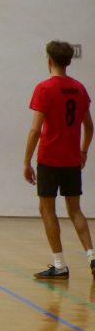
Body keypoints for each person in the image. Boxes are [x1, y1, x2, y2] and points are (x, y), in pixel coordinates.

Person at [24, 40, 94, 280]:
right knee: (75, 210)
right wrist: (83, 152)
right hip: (72, 160)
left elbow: (35, 130)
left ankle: (59, 264)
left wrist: (26, 161)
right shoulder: (79, 88)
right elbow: (90, 127)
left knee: (47, 209)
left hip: (49, 159)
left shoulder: (44, 88)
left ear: (50, 61)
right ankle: (92, 257)